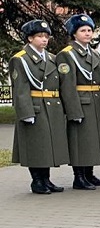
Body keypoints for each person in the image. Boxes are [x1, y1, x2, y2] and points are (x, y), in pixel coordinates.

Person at [10, 20, 70, 194]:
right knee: (36, 146)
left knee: (48, 146)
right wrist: (26, 112)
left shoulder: (51, 58)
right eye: (39, 36)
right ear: (30, 38)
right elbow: (20, 89)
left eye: (46, 36)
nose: (44, 39)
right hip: (35, 106)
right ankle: (37, 181)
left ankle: (46, 179)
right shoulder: (21, 59)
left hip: (52, 107)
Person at [57, 14, 100, 190]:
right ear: (74, 34)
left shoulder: (94, 52)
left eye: (90, 30)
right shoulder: (67, 54)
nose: (88, 33)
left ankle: (89, 174)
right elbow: (67, 86)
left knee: (93, 140)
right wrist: (73, 110)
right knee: (80, 141)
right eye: (83, 30)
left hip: (97, 101)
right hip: (81, 102)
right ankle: (79, 177)